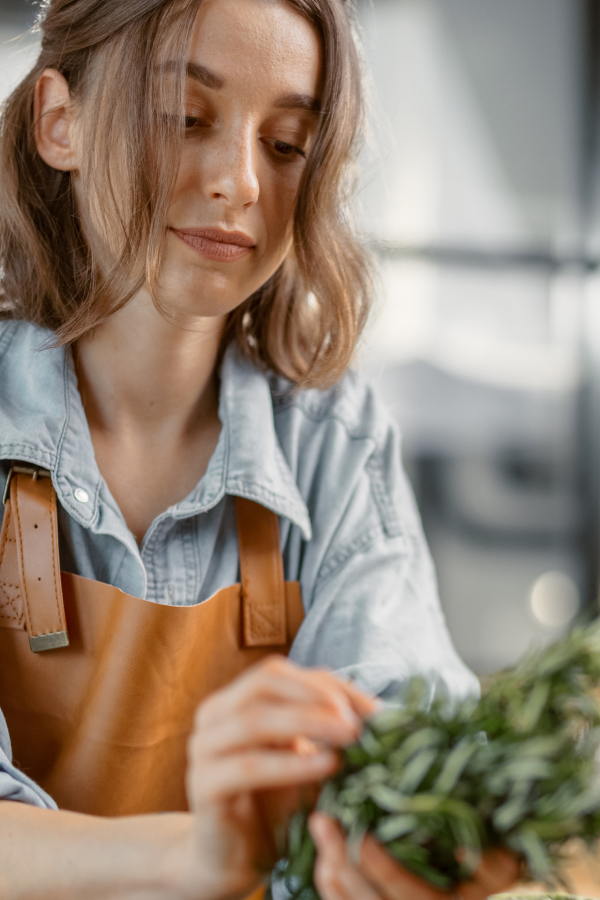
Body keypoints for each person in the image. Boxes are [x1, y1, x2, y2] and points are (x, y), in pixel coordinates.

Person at [0, 0, 520, 897]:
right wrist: (192, 857)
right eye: (184, 118)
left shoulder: (335, 443)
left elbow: (410, 755)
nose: (242, 182)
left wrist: (431, 842)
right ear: (60, 121)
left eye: (286, 144)